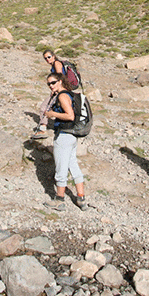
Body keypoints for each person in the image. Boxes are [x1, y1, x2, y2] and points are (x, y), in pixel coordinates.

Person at [42, 72, 87, 211]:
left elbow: (70, 115)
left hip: (64, 135)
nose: (51, 86)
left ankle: (59, 200)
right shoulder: (69, 94)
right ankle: (81, 198)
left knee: (61, 168)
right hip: (72, 135)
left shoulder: (62, 96)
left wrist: (52, 114)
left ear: (60, 81)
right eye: (48, 84)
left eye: (53, 82)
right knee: (73, 165)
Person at [32, 50, 65, 138]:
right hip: (60, 90)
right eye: (45, 58)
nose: (47, 59)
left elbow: (60, 77)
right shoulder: (55, 64)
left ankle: (42, 129)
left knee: (44, 107)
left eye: (49, 57)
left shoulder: (57, 64)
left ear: (53, 56)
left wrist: (55, 90)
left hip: (60, 90)